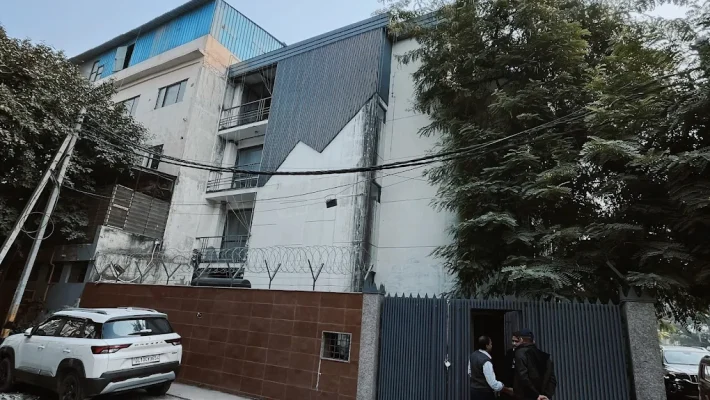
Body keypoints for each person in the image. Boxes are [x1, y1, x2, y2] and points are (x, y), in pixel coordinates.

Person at [513, 329, 557, 400]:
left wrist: (537, 395)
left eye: (516, 341)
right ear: (533, 341)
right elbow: (552, 380)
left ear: (521, 339)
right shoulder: (545, 356)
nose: (514, 344)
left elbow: (523, 377)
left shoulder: (520, 353)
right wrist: (546, 396)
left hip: (527, 396)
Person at [468, 336, 514, 400]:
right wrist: (506, 389)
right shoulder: (486, 361)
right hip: (484, 394)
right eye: (491, 344)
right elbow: (493, 384)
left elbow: (469, 372)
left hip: (474, 391)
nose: (491, 346)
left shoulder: (473, 355)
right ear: (487, 346)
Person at [501, 332, 523, 399]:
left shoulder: (526, 354)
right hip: (510, 387)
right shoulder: (509, 353)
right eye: (513, 341)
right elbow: (506, 370)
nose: (514, 343)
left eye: (516, 341)